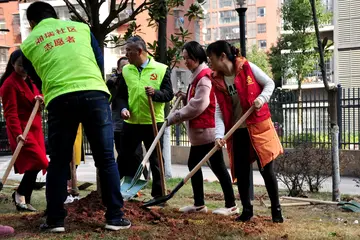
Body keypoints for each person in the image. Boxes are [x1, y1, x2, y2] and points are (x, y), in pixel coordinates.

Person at [20, 1, 130, 232]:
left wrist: (53, 91)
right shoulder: (80, 28)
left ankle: (55, 220)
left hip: (60, 97)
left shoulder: (28, 44)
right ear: (54, 15)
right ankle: (115, 217)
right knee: (106, 159)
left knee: (59, 161)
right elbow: (97, 60)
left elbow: (36, 78)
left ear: (32, 23)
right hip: (94, 93)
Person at [206, 40, 284, 223]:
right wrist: (219, 135)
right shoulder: (217, 80)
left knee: (267, 170)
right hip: (238, 130)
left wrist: (261, 99)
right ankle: (247, 211)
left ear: (222, 57)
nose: (210, 63)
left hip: (258, 127)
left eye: (211, 59)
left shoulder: (247, 67)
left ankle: (276, 211)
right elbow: (219, 110)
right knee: (241, 172)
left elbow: (269, 84)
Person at [166, 41, 238, 215]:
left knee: (217, 166)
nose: (185, 62)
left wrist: (176, 116)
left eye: (187, 59)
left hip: (207, 132)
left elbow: (200, 104)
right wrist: (185, 96)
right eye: (183, 59)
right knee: (198, 164)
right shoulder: (197, 76)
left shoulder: (204, 77)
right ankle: (200, 204)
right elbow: (194, 99)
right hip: (200, 133)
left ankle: (231, 205)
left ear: (196, 58)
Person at [118, 35, 174, 197]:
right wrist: (123, 109)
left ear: (140, 51)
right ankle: (115, 191)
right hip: (132, 122)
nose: (126, 54)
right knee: (123, 157)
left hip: (153, 122)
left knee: (156, 161)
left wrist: (155, 93)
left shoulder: (161, 69)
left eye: (129, 51)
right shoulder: (127, 70)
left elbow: (168, 94)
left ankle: (159, 195)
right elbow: (121, 95)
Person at [0, 49, 48, 212]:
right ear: (12, 64)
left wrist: (41, 99)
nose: (23, 69)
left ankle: (23, 198)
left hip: (35, 129)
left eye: (26, 65)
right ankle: (20, 193)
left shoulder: (32, 80)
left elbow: (42, 96)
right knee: (40, 161)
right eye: (20, 65)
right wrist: (17, 133)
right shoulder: (9, 84)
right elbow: (10, 112)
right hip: (22, 131)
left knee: (35, 164)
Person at [106, 57, 147, 179]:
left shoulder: (135, 80)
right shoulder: (114, 83)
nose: (126, 69)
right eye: (123, 67)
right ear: (118, 70)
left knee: (136, 153)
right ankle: (123, 178)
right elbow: (110, 100)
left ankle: (141, 176)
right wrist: (113, 87)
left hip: (134, 123)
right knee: (122, 153)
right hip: (119, 125)